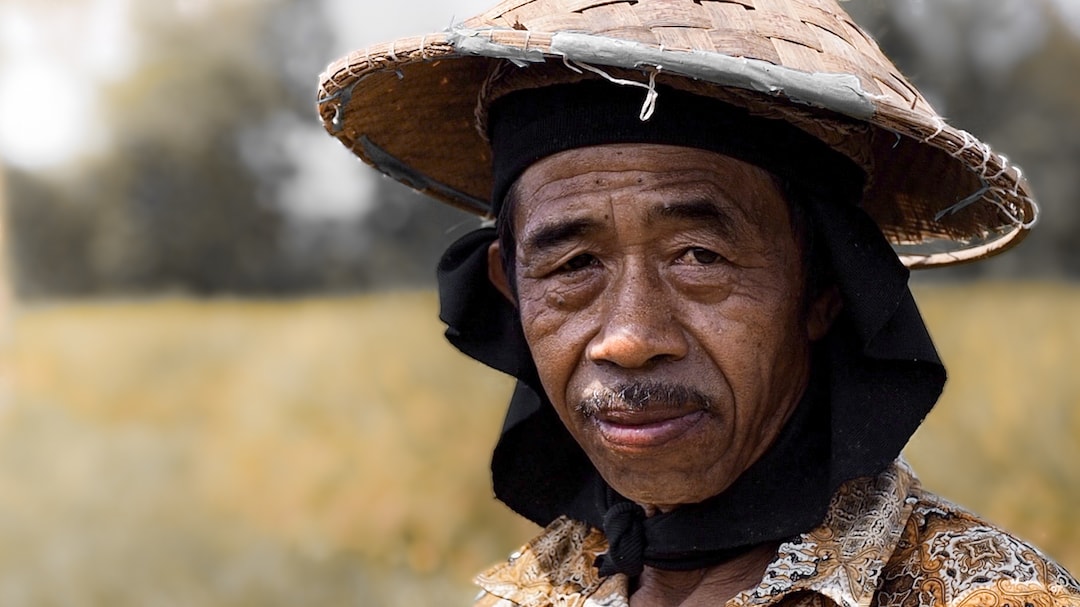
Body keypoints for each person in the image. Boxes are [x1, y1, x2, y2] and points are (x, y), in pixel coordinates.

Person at [316, 1, 1080, 605]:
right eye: (573, 265)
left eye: (699, 257)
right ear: (510, 290)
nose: (628, 338)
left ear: (822, 289)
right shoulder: (530, 592)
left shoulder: (990, 596)